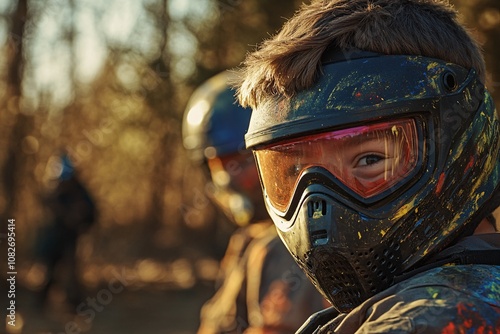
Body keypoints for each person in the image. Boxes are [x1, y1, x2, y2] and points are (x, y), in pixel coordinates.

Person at [235, 0, 500, 332]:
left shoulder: (440, 316)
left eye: (370, 160)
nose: (318, 209)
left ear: (464, 144)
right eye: (292, 172)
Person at [182, 71, 327, 334]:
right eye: (216, 166)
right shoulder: (249, 240)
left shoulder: (288, 247)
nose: (225, 178)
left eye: (236, 162)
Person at [35, 154, 97, 311]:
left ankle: (75, 305)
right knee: (51, 269)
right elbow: (49, 210)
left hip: (71, 237)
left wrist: (79, 219)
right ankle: (42, 302)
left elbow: (91, 214)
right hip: (56, 237)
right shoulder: (56, 191)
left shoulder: (79, 192)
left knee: (71, 272)